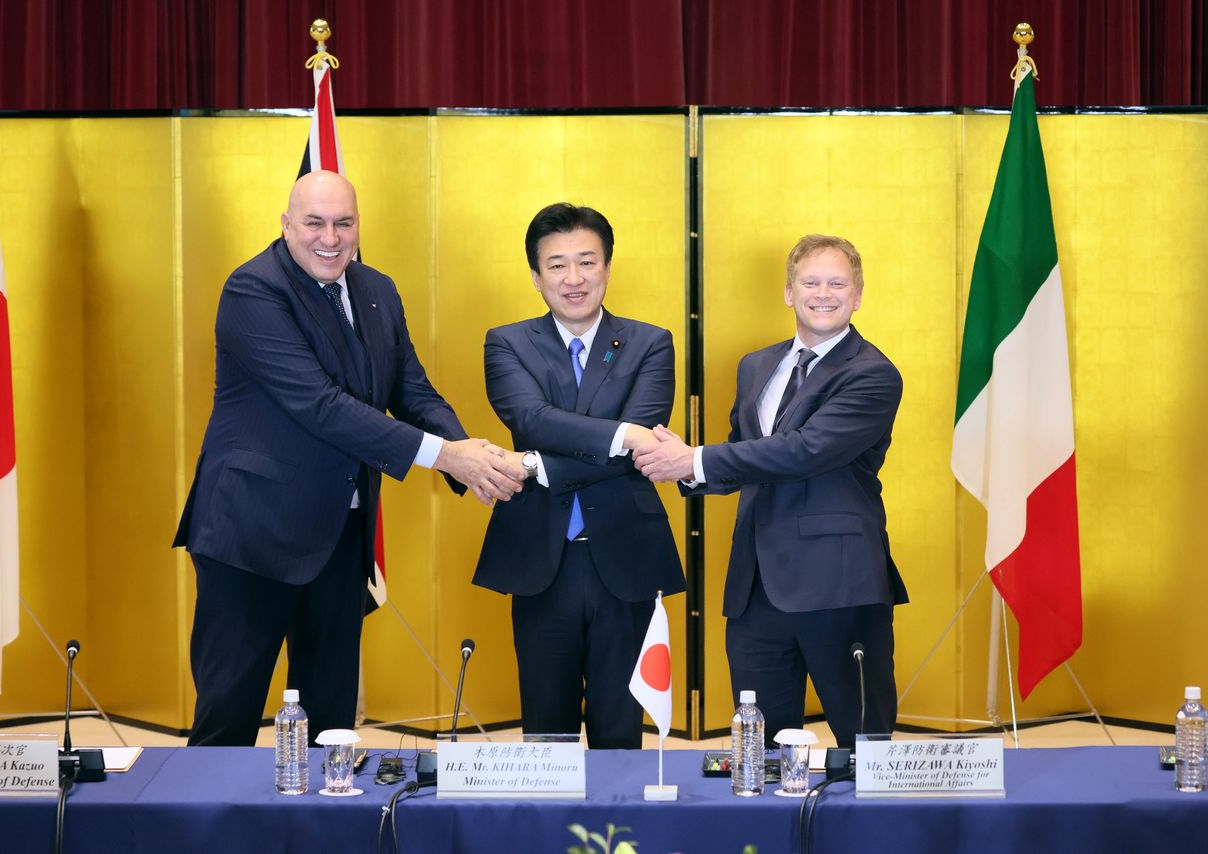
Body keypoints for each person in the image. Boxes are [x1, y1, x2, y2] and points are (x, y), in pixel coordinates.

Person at [174, 170, 524, 746]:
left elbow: (411, 390)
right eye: (314, 223)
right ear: (286, 225)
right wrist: (448, 458)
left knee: (330, 726)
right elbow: (322, 407)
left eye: (344, 223)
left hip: (340, 535)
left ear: (359, 225)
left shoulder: (377, 288)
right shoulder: (252, 290)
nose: (330, 238)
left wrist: (471, 458)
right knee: (228, 721)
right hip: (249, 540)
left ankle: (318, 834)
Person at [634, 233, 906, 747]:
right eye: (810, 281)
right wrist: (687, 467)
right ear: (788, 291)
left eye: (837, 283)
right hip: (756, 589)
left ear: (859, 294)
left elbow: (804, 450)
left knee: (864, 745)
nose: (823, 293)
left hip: (839, 585)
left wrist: (693, 457)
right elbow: (747, 453)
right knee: (759, 751)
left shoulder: (873, 373)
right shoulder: (756, 365)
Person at [473, 203, 685, 749]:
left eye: (587, 262)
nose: (574, 279)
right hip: (542, 557)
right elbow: (530, 418)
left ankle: (619, 835)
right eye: (558, 265)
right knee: (547, 728)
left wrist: (534, 464)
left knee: (621, 730)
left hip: (626, 554)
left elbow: (642, 440)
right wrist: (619, 435)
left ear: (607, 268)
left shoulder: (650, 341)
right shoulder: (507, 342)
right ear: (536, 276)